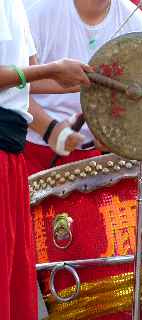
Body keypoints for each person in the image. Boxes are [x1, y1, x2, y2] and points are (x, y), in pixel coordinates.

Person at [0, 0, 96, 318]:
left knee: (14, 278)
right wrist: (54, 69)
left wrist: (96, 83)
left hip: (11, 153)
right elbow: (33, 73)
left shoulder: (17, 6)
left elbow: (25, 79)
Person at [23, 0, 142, 175]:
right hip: (34, 149)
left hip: (97, 160)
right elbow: (9, 87)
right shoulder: (36, 10)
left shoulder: (135, 20)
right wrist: (49, 129)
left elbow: (138, 94)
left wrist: (117, 131)